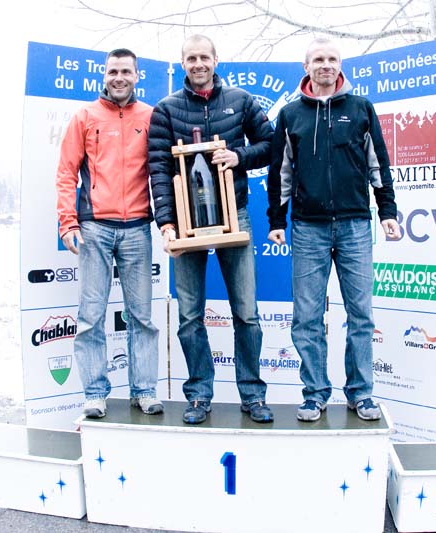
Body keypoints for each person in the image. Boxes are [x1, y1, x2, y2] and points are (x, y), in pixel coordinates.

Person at [266, 38, 401, 422]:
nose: (325, 65)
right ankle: (315, 394)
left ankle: (361, 394)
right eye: (318, 59)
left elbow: (378, 164)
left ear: (340, 65)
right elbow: (280, 172)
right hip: (308, 228)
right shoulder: (291, 114)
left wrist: (387, 210)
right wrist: (276, 220)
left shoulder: (360, 108)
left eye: (332, 59)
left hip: (355, 224)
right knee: (306, 318)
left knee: (361, 315)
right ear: (306, 67)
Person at [149, 34, 274, 425]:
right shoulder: (166, 109)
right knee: (189, 315)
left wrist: (238, 156)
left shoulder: (240, 100)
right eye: (191, 58)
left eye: (204, 56)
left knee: (247, 313)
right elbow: (158, 168)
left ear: (216, 60)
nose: (198, 63)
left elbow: (271, 144)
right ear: (182, 63)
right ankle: (199, 395)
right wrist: (166, 222)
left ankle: (253, 395)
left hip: (235, 215)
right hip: (185, 224)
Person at [56, 48, 163, 419]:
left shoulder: (150, 116)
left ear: (137, 76)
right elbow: (66, 172)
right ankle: (94, 394)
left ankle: (144, 390)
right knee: (90, 317)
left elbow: (163, 170)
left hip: (137, 228)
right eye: (113, 71)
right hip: (95, 228)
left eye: (126, 71)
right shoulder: (85, 116)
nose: (119, 77)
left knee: (142, 318)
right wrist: (67, 221)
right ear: (104, 75)